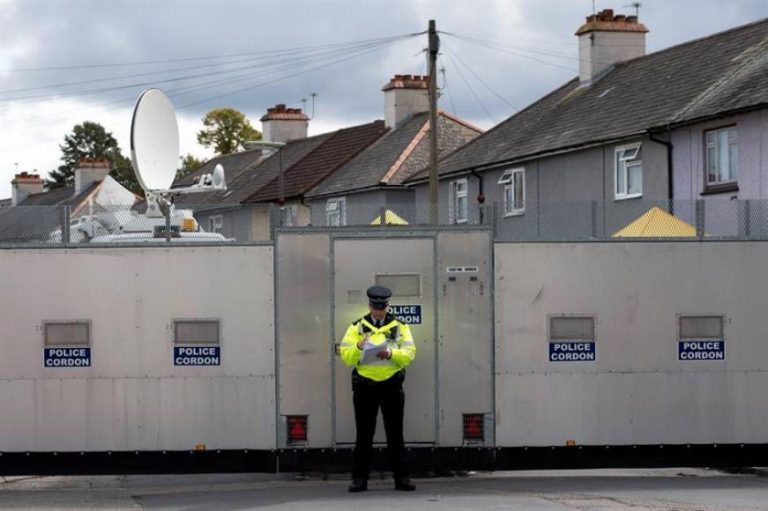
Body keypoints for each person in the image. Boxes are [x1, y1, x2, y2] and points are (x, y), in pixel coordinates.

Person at [339, 285, 417, 492]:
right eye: (375, 307)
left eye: (381, 307)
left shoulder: (400, 326)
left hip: (391, 385)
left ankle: (402, 478)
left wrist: (391, 355)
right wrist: (357, 348)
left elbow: (409, 353)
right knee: (364, 435)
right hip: (366, 387)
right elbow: (345, 355)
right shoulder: (357, 327)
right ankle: (359, 479)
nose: (378, 311)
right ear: (369, 305)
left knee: (395, 434)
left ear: (387, 306)